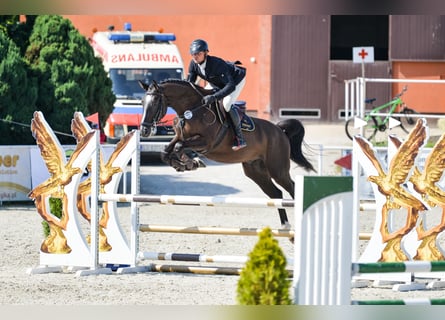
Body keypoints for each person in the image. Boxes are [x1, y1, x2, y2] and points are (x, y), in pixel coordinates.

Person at [187, 39, 247, 151]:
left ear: (205, 53)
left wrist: (214, 97)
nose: (195, 57)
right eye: (193, 54)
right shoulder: (193, 64)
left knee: (226, 104)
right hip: (216, 82)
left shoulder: (217, 64)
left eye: (198, 54)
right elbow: (190, 84)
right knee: (202, 99)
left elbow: (230, 86)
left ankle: (239, 137)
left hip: (235, 81)